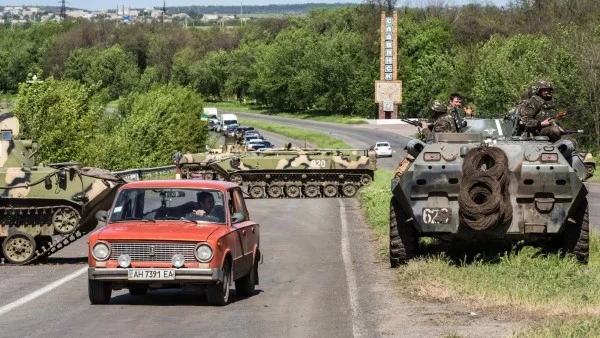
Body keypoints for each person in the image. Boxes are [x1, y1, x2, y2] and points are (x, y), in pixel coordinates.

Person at [394, 100, 457, 178]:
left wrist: (425, 129)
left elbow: (432, 141)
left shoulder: (442, 122)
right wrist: (431, 127)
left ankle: (423, 163)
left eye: (431, 110)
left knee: (412, 144)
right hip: (445, 149)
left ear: (436, 111)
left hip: (442, 152)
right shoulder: (447, 118)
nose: (430, 111)